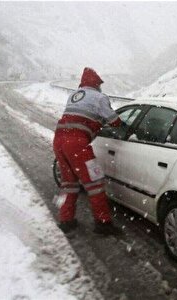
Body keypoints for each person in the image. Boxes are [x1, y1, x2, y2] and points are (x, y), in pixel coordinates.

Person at [53, 67, 122, 235]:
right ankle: (103, 224)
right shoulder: (99, 98)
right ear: (96, 84)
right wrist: (118, 123)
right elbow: (114, 121)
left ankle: (66, 220)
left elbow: (80, 116)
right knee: (95, 183)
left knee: (69, 184)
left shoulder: (74, 96)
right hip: (77, 144)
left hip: (59, 140)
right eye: (99, 84)